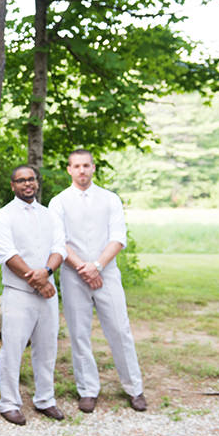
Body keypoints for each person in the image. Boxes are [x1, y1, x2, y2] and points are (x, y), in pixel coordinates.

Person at [49, 149, 148, 412]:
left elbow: (118, 236)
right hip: (73, 275)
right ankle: (88, 389)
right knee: (79, 333)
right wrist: (83, 268)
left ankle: (134, 387)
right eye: (76, 166)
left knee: (120, 329)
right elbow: (59, 241)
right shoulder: (58, 202)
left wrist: (97, 266)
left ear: (93, 168)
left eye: (86, 165)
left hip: (108, 272)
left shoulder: (110, 199)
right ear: (69, 169)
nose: (82, 170)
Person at [0, 163, 66, 425]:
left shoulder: (50, 215)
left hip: (47, 294)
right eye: (21, 180)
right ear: (13, 185)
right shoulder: (3, 215)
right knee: (12, 349)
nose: (27, 184)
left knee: (47, 348)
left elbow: (59, 248)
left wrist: (46, 272)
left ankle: (45, 399)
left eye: (31, 179)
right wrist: (39, 282)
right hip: (18, 293)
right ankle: (9, 403)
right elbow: (8, 254)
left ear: (37, 182)